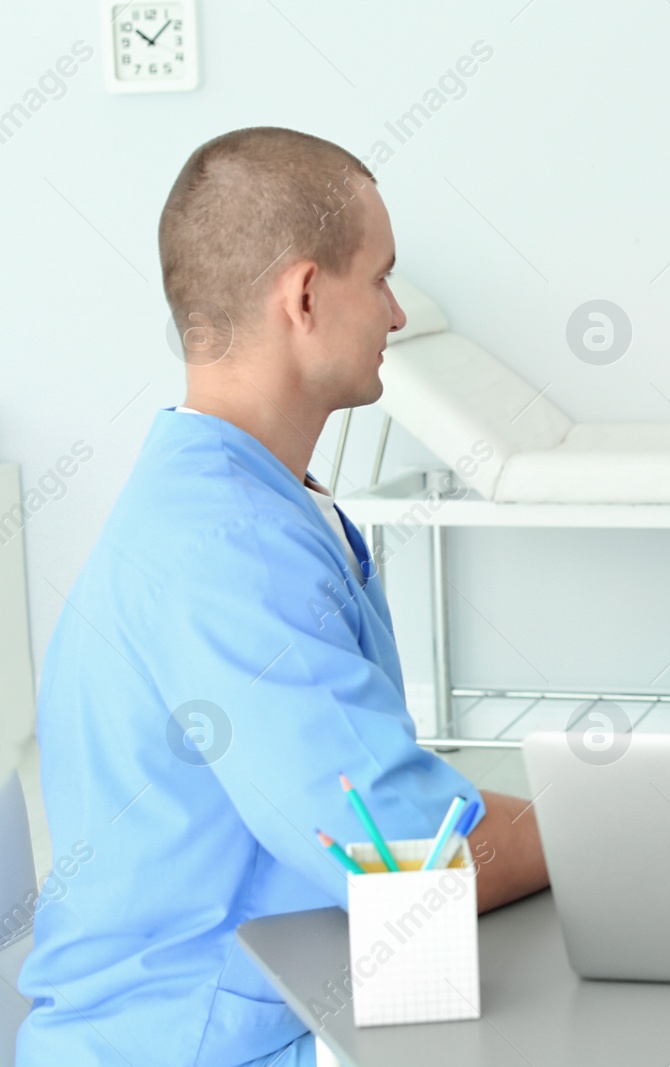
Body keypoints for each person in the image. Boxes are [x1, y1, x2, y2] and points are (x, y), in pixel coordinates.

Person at [17, 128, 549, 1067]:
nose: (393, 315)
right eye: (380, 279)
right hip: (194, 1044)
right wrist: (619, 833)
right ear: (305, 295)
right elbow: (406, 858)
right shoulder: (225, 547)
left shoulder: (244, 500)